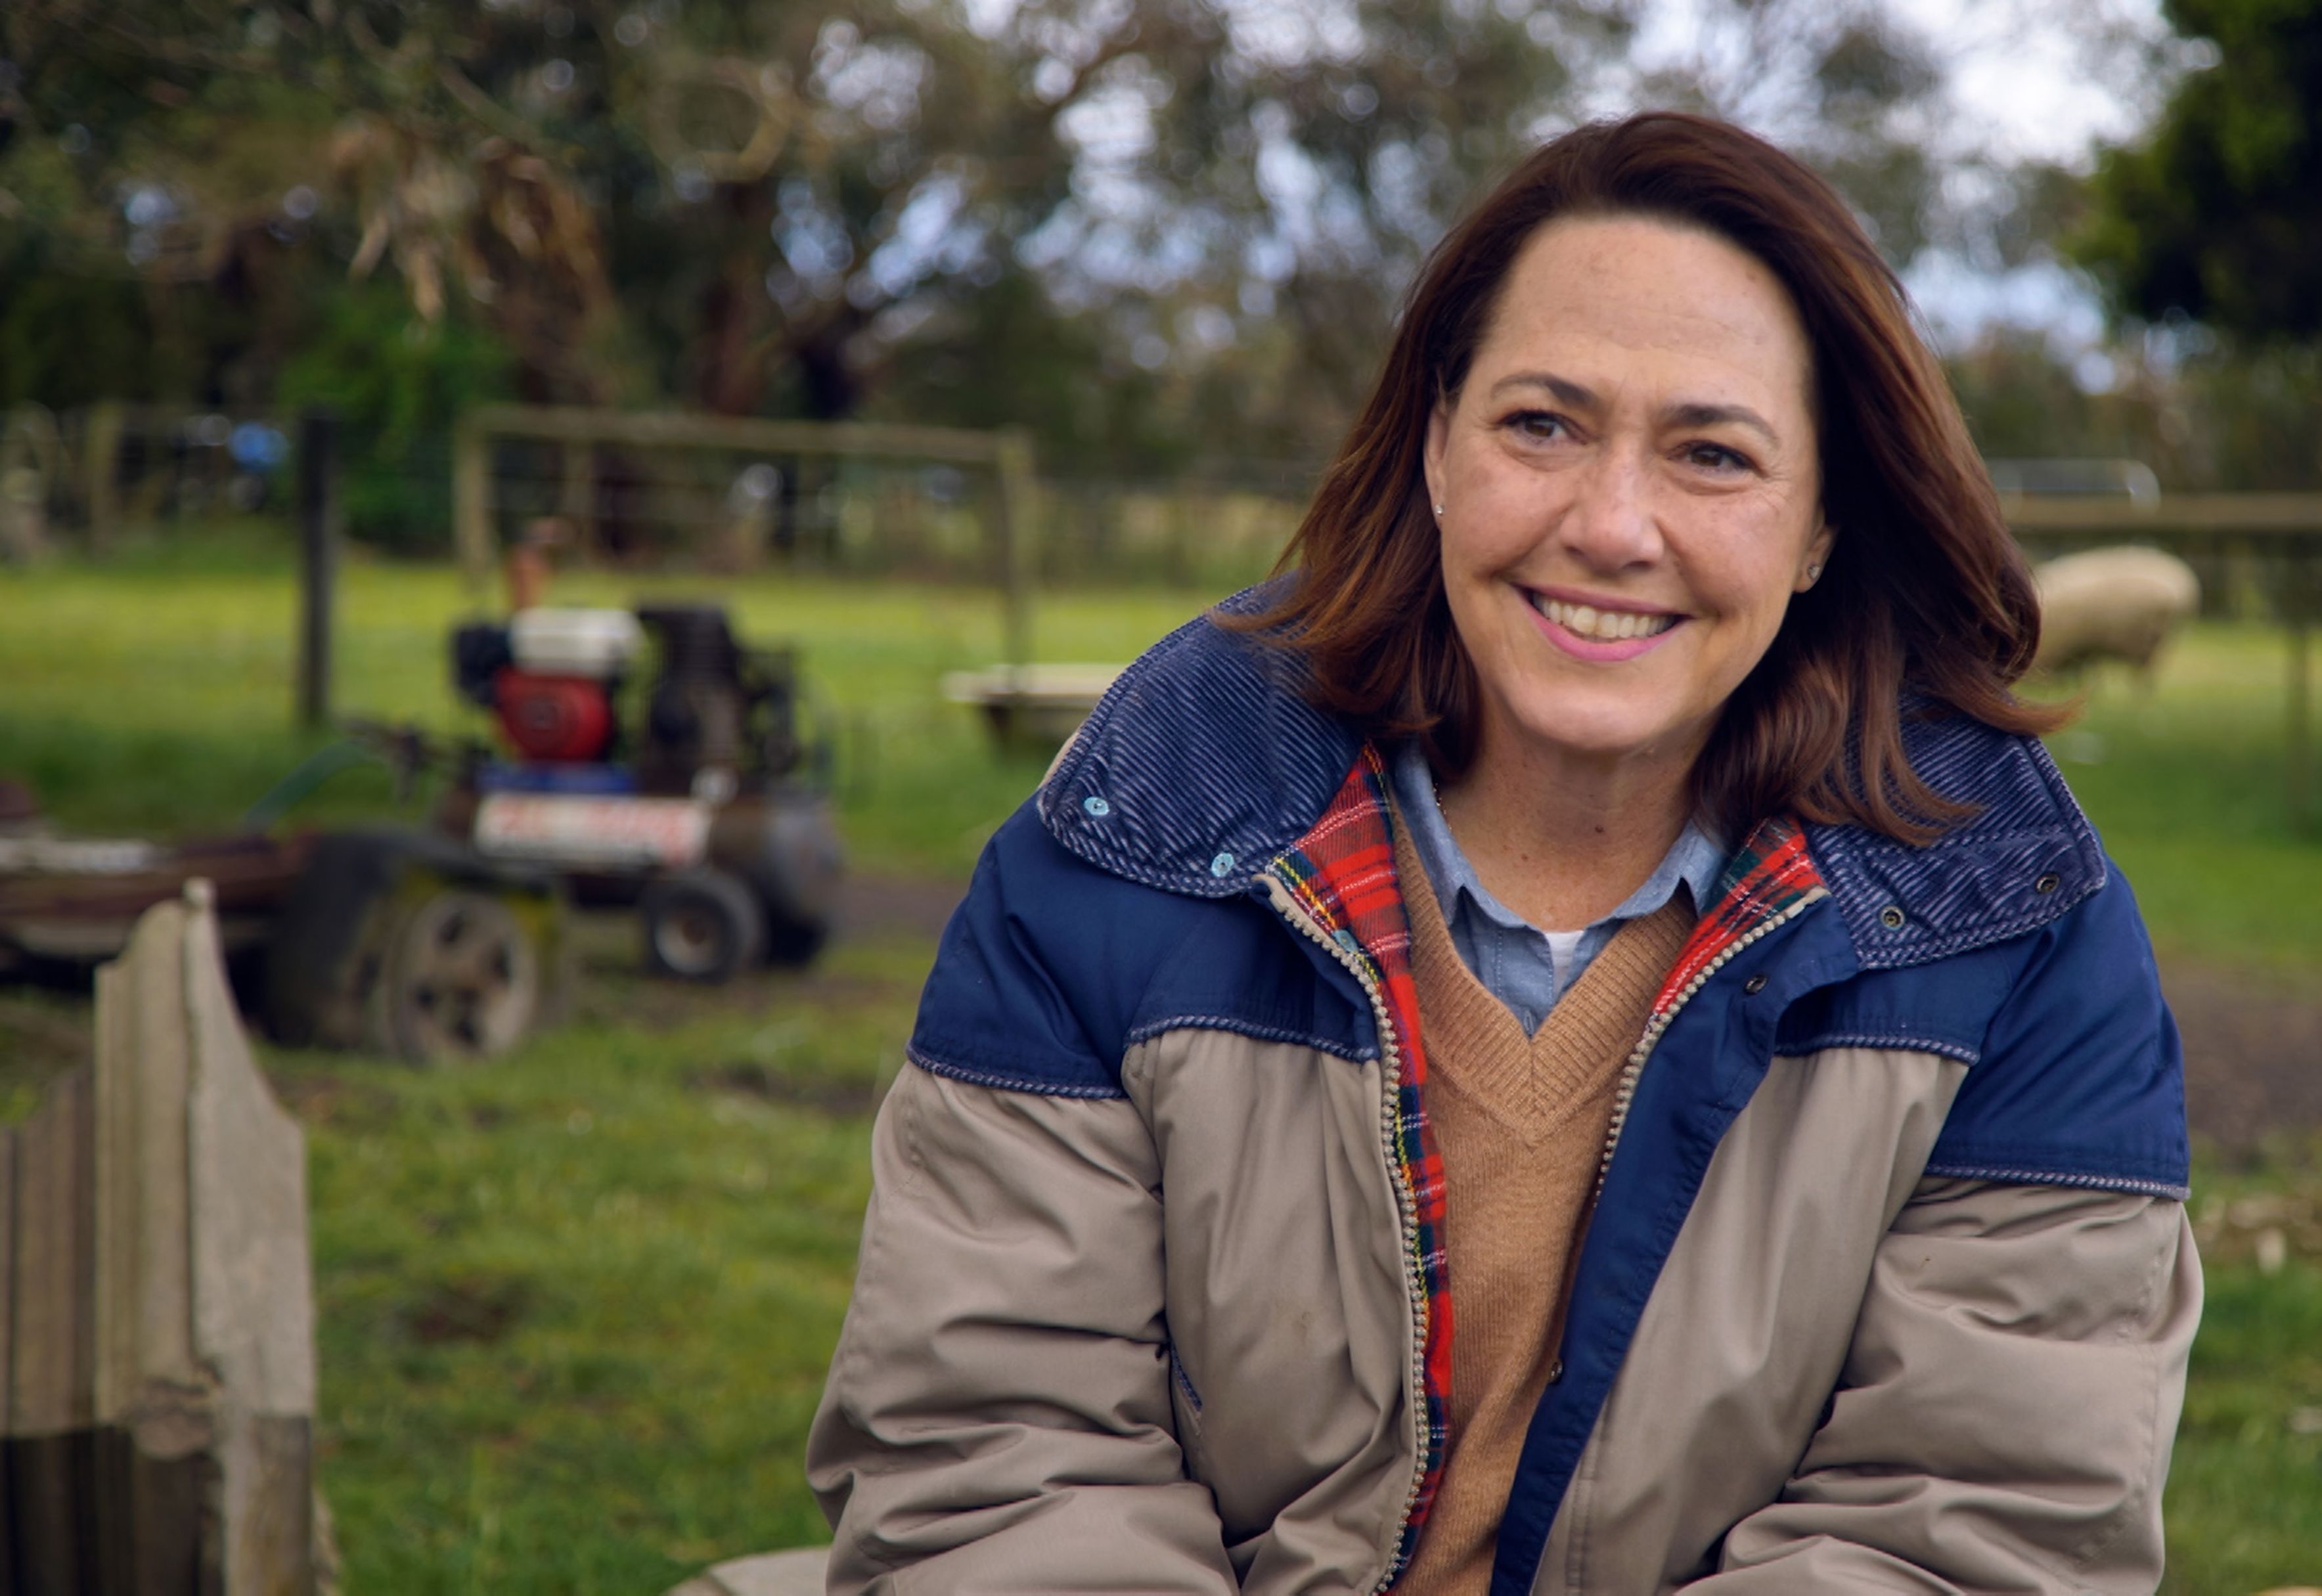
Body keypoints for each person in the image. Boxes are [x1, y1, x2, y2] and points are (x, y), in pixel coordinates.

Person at [808, 112, 2200, 1595]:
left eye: (1712, 454)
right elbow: (993, 1462)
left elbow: (1975, 1529)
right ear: (1436, 449)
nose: (1611, 525)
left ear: (1819, 531)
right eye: (1542, 425)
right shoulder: (1128, 847)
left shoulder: (2009, 931)